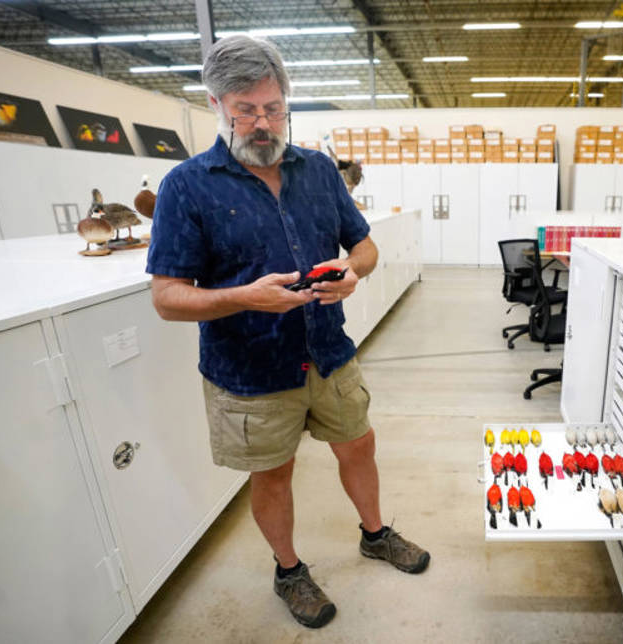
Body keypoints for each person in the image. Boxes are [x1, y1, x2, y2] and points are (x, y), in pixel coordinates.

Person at [145, 35, 429, 630]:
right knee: (273, 473)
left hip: (328, 352)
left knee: (359, 444)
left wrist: (353, 271)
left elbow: (366, 246)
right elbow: (168, 299)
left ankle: (375, 535)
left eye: (273, 108)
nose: (261, 122)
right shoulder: (186, 186)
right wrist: (246, 296)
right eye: (244, 109)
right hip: (249, 370)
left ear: (287, 103)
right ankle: (289, 570)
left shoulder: (319, 170)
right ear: (217, 105)